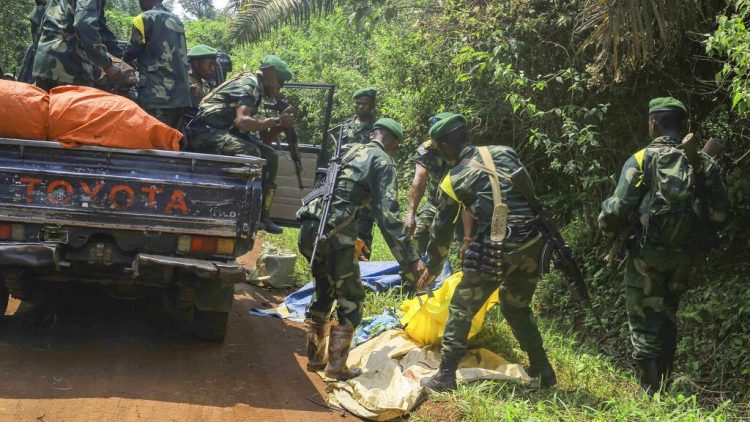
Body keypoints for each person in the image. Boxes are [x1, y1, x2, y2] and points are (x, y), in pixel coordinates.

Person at [417, 113, 557, 391]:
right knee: (515, 306)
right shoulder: (505, 152)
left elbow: (441, 232)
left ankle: (445, 376)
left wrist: (432, 268)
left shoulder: (452, 179)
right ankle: (543, 369)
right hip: (532, 245)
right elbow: (524, 194)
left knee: (461, 307)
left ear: (445, 146)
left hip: (495, 250)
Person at [598, 97, 728, 395]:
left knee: (644, 324)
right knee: (669, 317)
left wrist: (607, 230)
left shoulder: (642, 159)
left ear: (654, 123)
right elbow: (720, 215)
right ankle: (665, 390)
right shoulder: (702, 163)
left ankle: (649, 395)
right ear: (682, 125)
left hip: (646, 255)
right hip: (685, 258)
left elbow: (615, 212)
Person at [297, 118, 423, 380]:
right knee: (351, 299)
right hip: (335, 234)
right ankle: (336, 367)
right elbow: (388, 217)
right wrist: (410, 259)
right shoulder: (382, 161)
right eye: (396, 146)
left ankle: (315, 359)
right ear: (392, 142)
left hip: (311, 227)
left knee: (323, 288)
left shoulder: (349, 151)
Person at [186, 55, 294, 234]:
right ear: (270, 77)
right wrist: (276, 121)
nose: (279, 88)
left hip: (222, 130)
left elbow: (262, 140)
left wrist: (280, 126)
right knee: (249, 151)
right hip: (203, 131)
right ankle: (242, 210)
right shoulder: (249, 85)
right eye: (280, 83)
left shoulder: (256, 88)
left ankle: (263, 215)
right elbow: (243, 122)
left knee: (269, 155)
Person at [123, 0, 191, 130]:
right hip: (181, 94)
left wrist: (119, 63)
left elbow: (132, 51)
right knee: (174, 138)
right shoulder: (177, 20)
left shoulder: (143, 18)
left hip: (157, 94)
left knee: (154, 139)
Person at [32, 0, 121, 91]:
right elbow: (84, 24)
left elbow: (37, 20)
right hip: (71, 68)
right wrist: (106, 64)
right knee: (74, 105)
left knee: (46, 104)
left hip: (43, 63)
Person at [405, 113, 453, 255]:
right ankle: (412, 273)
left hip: (461, 204)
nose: (433, 140)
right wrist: (411, 214)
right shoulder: (424, 148)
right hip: (435, 202)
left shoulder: (461, 148)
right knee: (417, 234)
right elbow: (419, 181)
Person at [338, 88, 378, 258]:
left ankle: (363, 266)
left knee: (364, 226)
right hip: (346, 183)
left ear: (371, 106)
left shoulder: (377, 127)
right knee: (342, 223)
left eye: (364, 104)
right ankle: (342, 261)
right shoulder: (345, 126)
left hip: (366, 184)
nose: (360, 107)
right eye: (358, 103)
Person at [187, 44, 218, 111]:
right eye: (210, 64)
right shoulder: (186, 83)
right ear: (196, 64)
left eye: (214, 65)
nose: (213, 69)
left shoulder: (205, 84)